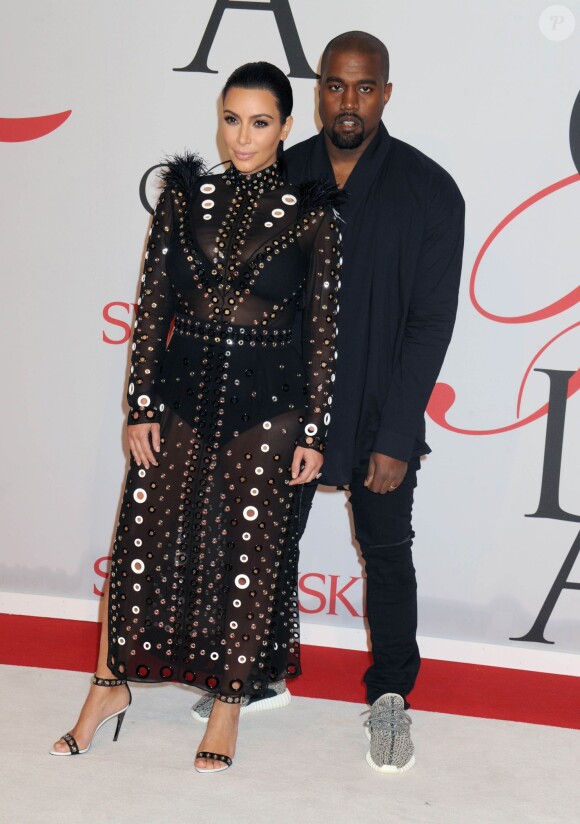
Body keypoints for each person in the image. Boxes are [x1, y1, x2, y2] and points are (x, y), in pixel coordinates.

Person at [51, 61, 343, 772]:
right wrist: (139, 406)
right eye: (232, 119)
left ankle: (227, 707)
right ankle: (105, 687)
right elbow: (153, 308)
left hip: (268, 410)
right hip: (180, 402)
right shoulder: (184, 198)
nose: (243, 137)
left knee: (251, 555)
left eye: (261, 122)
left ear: (286, 125)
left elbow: (323, 331)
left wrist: (314, 430)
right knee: (138, 543)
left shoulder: (313, 213)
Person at [283, 31, 465, 773]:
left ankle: (391, 698)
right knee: (267, 550)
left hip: (379, 417)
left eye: (365, 87)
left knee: (387, 558)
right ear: (318, 89)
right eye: (335, 85)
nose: (349, 101)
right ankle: (258, 674)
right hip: (285, 414)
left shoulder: (429, 190)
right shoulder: (282, 175)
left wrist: (395, 433)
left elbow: (430, 326)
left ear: (386, 93)